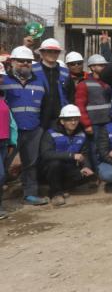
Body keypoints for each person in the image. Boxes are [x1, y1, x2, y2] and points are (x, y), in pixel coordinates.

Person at [0, 46, 49, 205]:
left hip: (33, 130)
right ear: (13, 61)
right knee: (3, 166)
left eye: (28, 61)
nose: (25, 64)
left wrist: (41, 126)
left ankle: (30, 194)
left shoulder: (39, 81)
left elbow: (46, 104)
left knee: (30, 164)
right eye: (21, 61)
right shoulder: (3, 81)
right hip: (10, 133)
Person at [38, 104, 94, 206]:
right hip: (51, 170)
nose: (73, 122)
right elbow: (46, 154)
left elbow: (85, 154)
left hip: (70, 169)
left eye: (76, 119)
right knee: (55, 164)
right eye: (69, 120)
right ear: (62, 121)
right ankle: (56, 194)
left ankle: (63, 188)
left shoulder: (81, 134)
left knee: (89, 175)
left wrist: (86, 166)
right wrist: (71, 156)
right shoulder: (50, 133)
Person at [33, 38, 70, 131]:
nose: (52, 54)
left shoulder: (65, 72)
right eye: (49, 51)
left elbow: (70, 94)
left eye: (56, 52)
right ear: (41, 52)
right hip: (39, 117)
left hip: (59, 118)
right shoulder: (32, 70)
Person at [0, 64, 19, 217]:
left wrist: (12, 141)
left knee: (2, 175)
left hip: (4, 141)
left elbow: (10, 120)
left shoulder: (2, 96)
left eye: (0, 76)